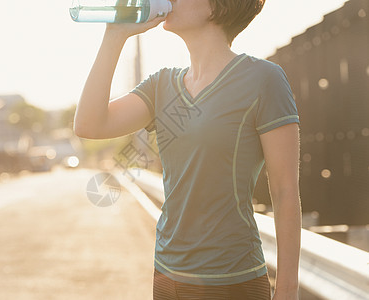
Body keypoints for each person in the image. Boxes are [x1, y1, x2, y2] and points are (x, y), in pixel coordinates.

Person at [73, 0, 301, 299]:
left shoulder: (263, 79)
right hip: (168, 276)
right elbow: (89, 124)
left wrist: (286, 291)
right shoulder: (162, 85)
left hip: (231, 280)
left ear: (216, 7)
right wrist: (115, 35)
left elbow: (285, 191)